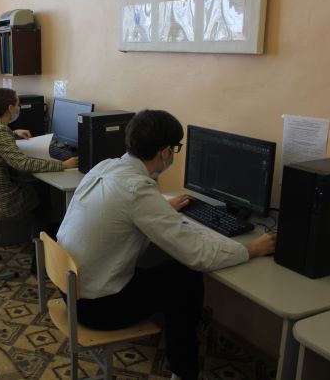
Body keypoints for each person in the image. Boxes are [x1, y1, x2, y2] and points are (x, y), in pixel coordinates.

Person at [56, 109, 276, 380]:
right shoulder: (138, 190)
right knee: (186, 277)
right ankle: (184, 370)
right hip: (97, 309)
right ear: (165, 152)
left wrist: (160, 209)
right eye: (176, 149)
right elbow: (199, 255)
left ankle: (177, 330)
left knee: (165, 266)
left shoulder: (107, 166)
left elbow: (125, 210)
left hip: (70, 290)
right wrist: (252, 249)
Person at [0, 88, 78, 256]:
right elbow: (23, 164)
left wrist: (13, 133)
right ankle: (39, 247)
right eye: (18, 104)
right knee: (42, 190)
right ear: (10, 108)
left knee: (33, 183)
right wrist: (62, 165)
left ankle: (40, 241)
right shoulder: (0, 132)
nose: (19, 108)